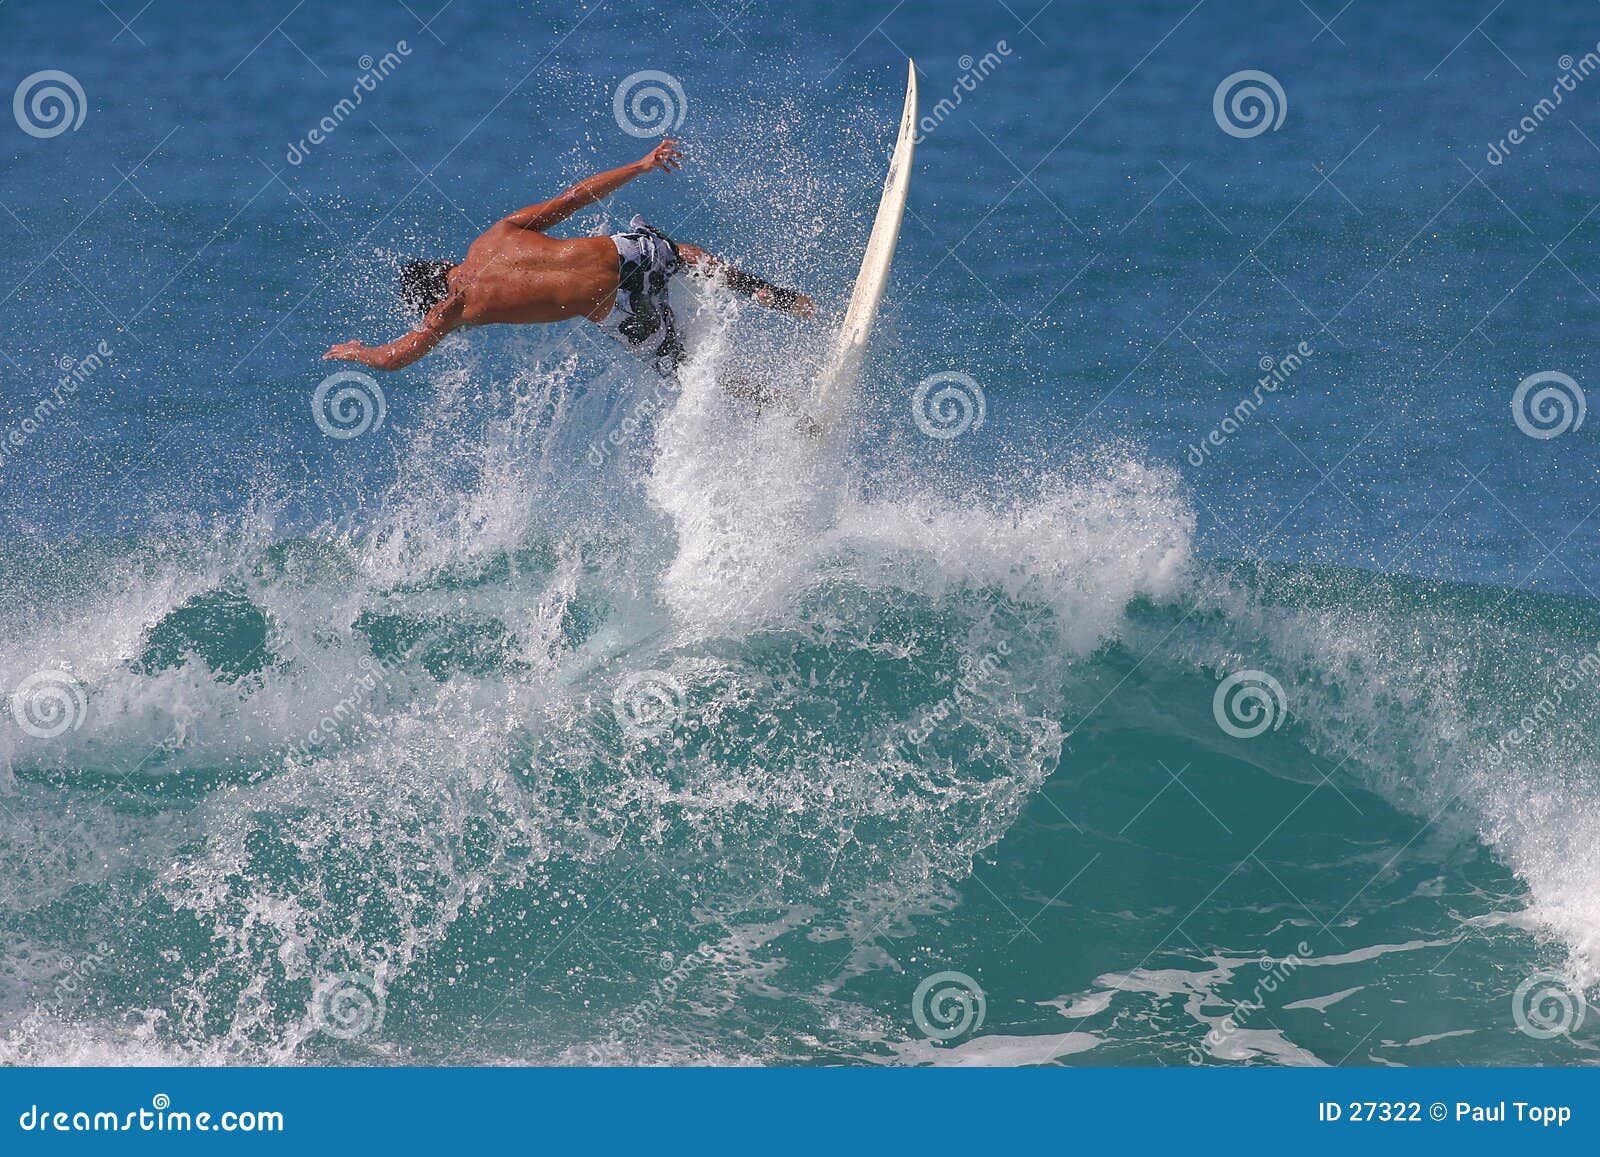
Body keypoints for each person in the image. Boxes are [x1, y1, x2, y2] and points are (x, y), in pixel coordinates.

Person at [323, 141, 814, 376]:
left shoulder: (450, 312)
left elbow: (392, 360)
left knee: (686, 367)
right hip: (623, 255)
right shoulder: (495, 235)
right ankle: (783, 299)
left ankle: (788, 415)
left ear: (429, 294)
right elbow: (575, 198)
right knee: (685, 255)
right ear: (441, 263)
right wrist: (640, 165)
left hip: (614, 308)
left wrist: (357, 351)